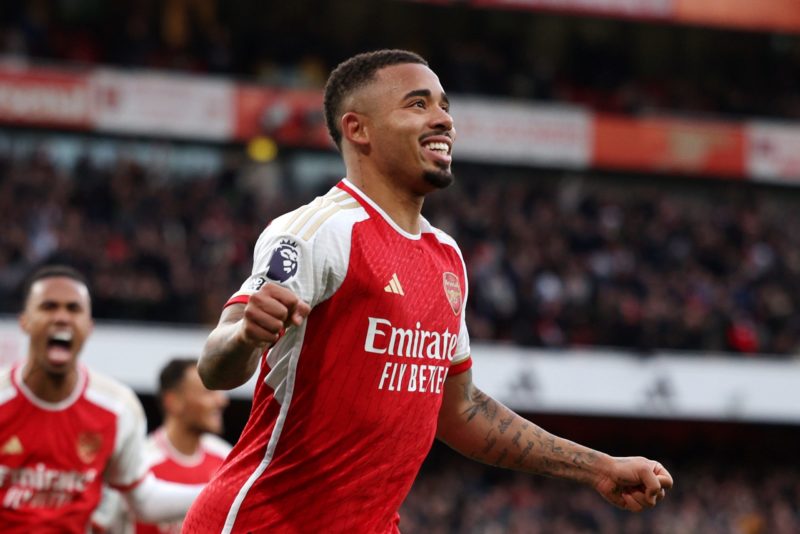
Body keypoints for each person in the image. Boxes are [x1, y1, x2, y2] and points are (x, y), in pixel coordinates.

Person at [182, 49, 673, 533]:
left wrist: (599, 467)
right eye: (418, 105)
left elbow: (459, 409)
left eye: (444, 106)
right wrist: (247, 334)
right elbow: (215, 365)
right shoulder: (319, 231)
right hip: (264, 524)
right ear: (359, 129)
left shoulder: (446, 257)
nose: (443, 121)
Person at [0, 265, 203, 533]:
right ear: (24, 321)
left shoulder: (117, 406)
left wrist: (219, 491)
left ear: (89, 326)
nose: (62, 317)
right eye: (49, 307)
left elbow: (142, 499)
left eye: (73, 309)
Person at [134, 358, 232, 533]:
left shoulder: (226, 458)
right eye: (208, 392)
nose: (221, 400)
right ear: (174, 401)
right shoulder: (140, 464)